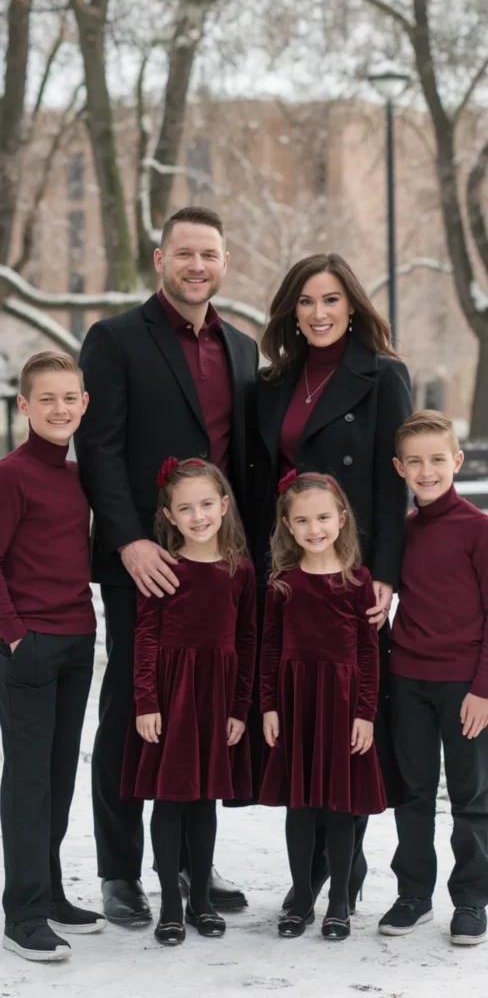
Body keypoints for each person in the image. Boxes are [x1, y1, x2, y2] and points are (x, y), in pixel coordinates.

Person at [75, 207, 258, 925]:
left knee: (203, 711)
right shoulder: (115, 339)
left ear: (224, 260)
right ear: (159, 259)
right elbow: (100, 450)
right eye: (184, 253)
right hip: (143, 565)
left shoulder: (241, 349)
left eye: (209, 254)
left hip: (216, 567)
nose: (197, 266)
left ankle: (190, 863)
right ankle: (120, 872)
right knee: (130, 702)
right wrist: (128, 541)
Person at [254, 253, 412, 912]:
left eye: (331, 300)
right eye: (307, 301)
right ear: (293, 310)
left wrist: (386, 576)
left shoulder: (384, 376)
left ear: (352, 306)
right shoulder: (271, 382)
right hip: (292, 572)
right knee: (298, 724)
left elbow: (388, 482)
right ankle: (308, 873)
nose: (319, 313)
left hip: (353, 574)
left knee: (351, 724)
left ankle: (342, 871)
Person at [121, 458, 256, 946]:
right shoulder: (163, 567)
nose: (197, 516)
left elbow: (247, 642)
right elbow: (145, 638)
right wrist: (145, 702)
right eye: (185, 508)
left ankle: (200, 898)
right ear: (169, 515)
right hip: (170, 698)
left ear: (223, 506)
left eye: (205, 504)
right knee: (170, 801)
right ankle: (171, 907)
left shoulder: (239, 570)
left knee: (204, 803)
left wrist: (240, 709)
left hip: (216, 698)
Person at [0, 352, 105, 963]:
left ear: (84, 404)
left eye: (70, 398)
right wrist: (15, 634)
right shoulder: (11, 475)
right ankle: (23, 911)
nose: (60, 409)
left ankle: (51, 891)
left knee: (61, 775)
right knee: (29, 779)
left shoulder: (77, 472)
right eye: (46, 399)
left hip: (77, 640)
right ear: (24, 406)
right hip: (30, 647)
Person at [259, 471, 385, 940]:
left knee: (339, 806)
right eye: (303, 520)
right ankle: (301, 898)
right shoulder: (283, 583)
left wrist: (365, 713)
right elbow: (269, 649)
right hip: (297, 704)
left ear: (342, 518)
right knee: (300, 807)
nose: (315, 528)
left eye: (324, 517)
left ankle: (339, 904)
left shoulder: (357, 580)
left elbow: (370, 653)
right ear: (288, 527)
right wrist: (269, 706)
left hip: (343, 703)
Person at [379, 410, 488, 947]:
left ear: (457, 461)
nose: (427, 471)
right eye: (415, 462)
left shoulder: (479, 529)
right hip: (407, 681)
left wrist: (484, 690)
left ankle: (470, 900)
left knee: (472, 798)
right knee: (413, 791)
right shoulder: (399, 533)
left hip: (466, 686)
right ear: (399, 467)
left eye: (437, 460)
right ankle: (414, 893)